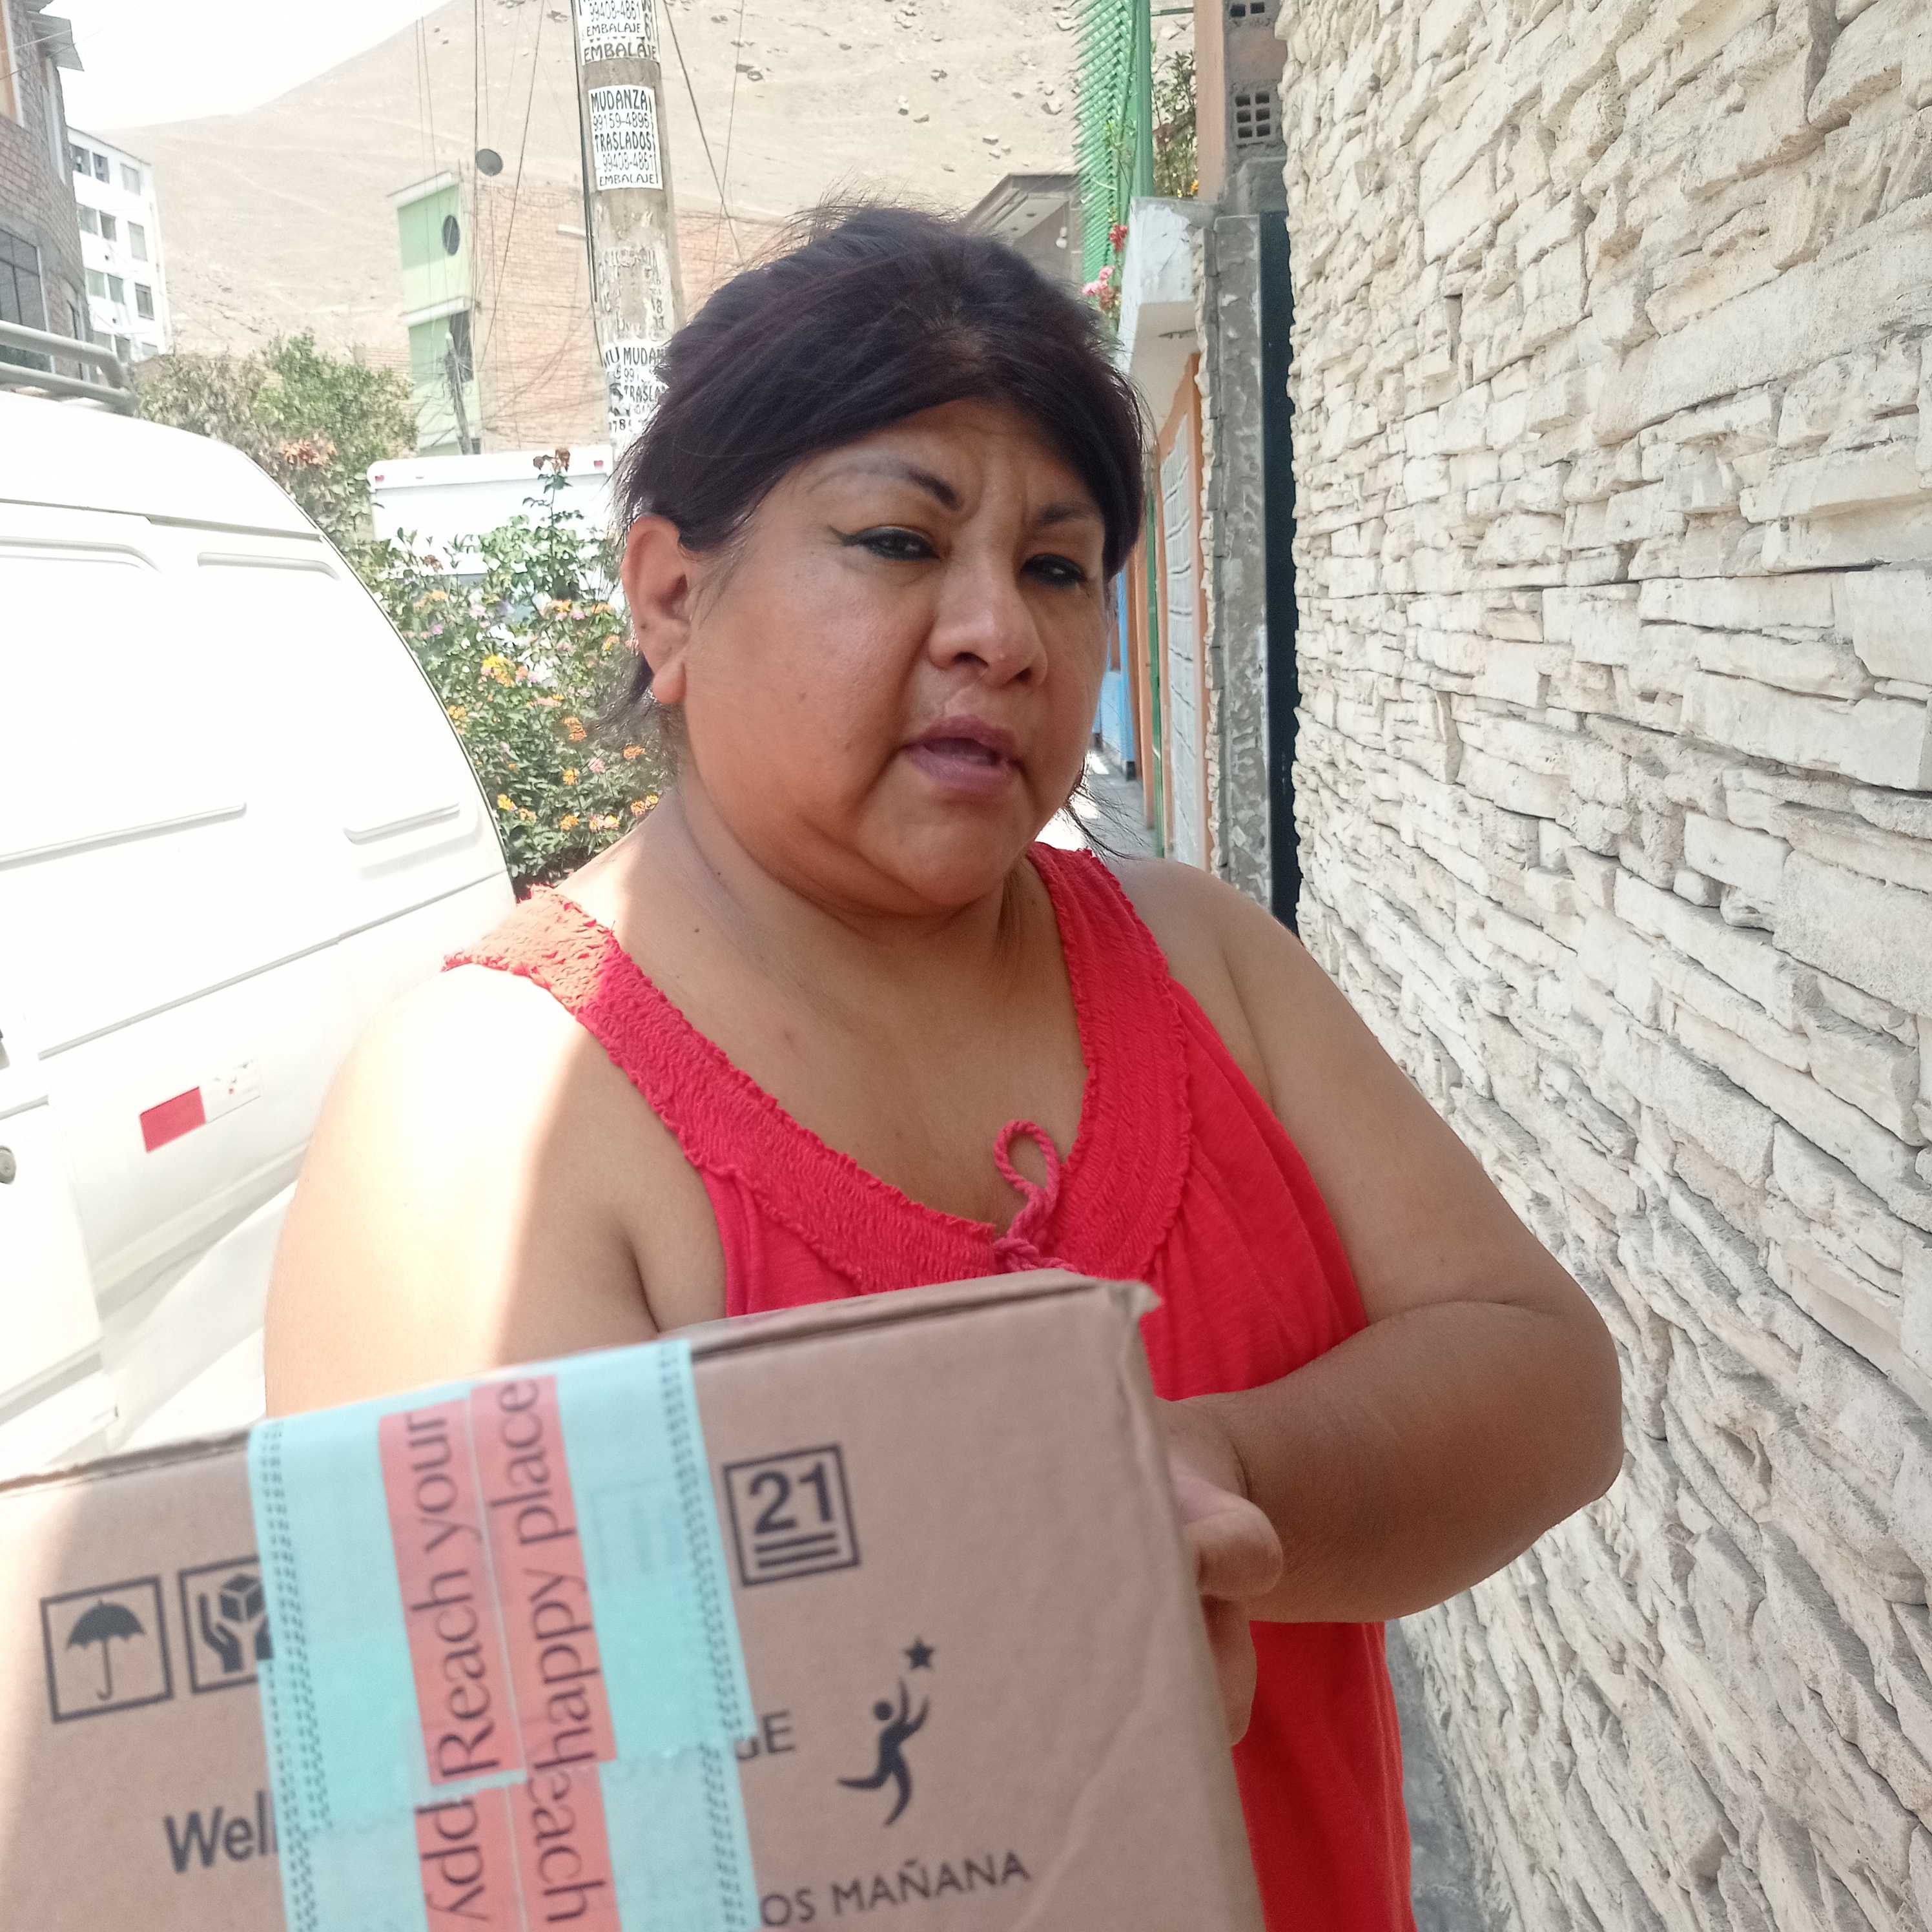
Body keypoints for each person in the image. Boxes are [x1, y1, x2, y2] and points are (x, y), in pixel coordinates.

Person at [267, 203, 1622, 1929]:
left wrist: (1208, 1476)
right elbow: (478, 1831)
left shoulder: (1203, 962)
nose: (1002, 631)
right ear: (671, 596)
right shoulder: (483, 1113)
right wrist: (1006, 1608)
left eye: (1059, 568)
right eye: (902, 541)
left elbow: (1544, 1381)